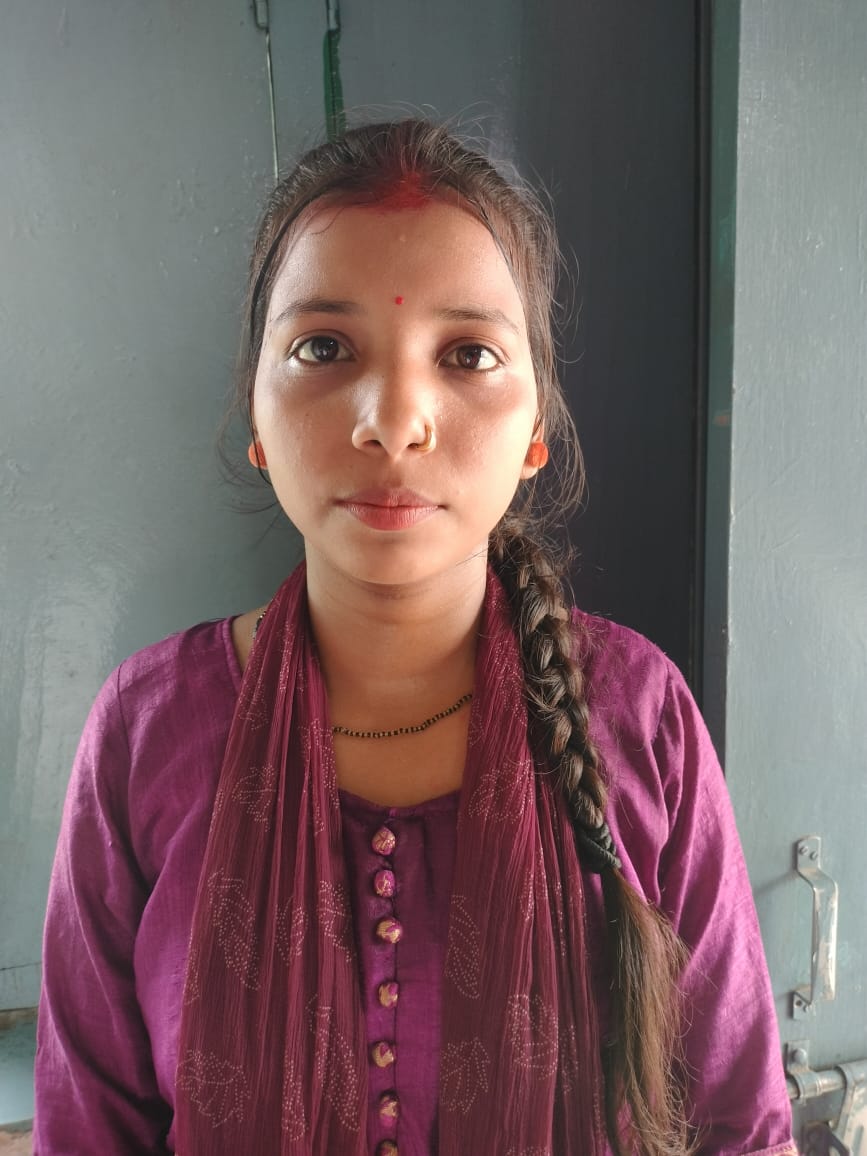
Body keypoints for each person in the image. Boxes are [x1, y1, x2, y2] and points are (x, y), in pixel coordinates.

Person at [34, 119, 796, 1156]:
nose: (392, 419)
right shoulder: (144, 732)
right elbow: (87, 1132)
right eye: (323, 348)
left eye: (468, 354)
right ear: (256, 414)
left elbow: (740, 1128)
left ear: (535, 430)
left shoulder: (641, 715)